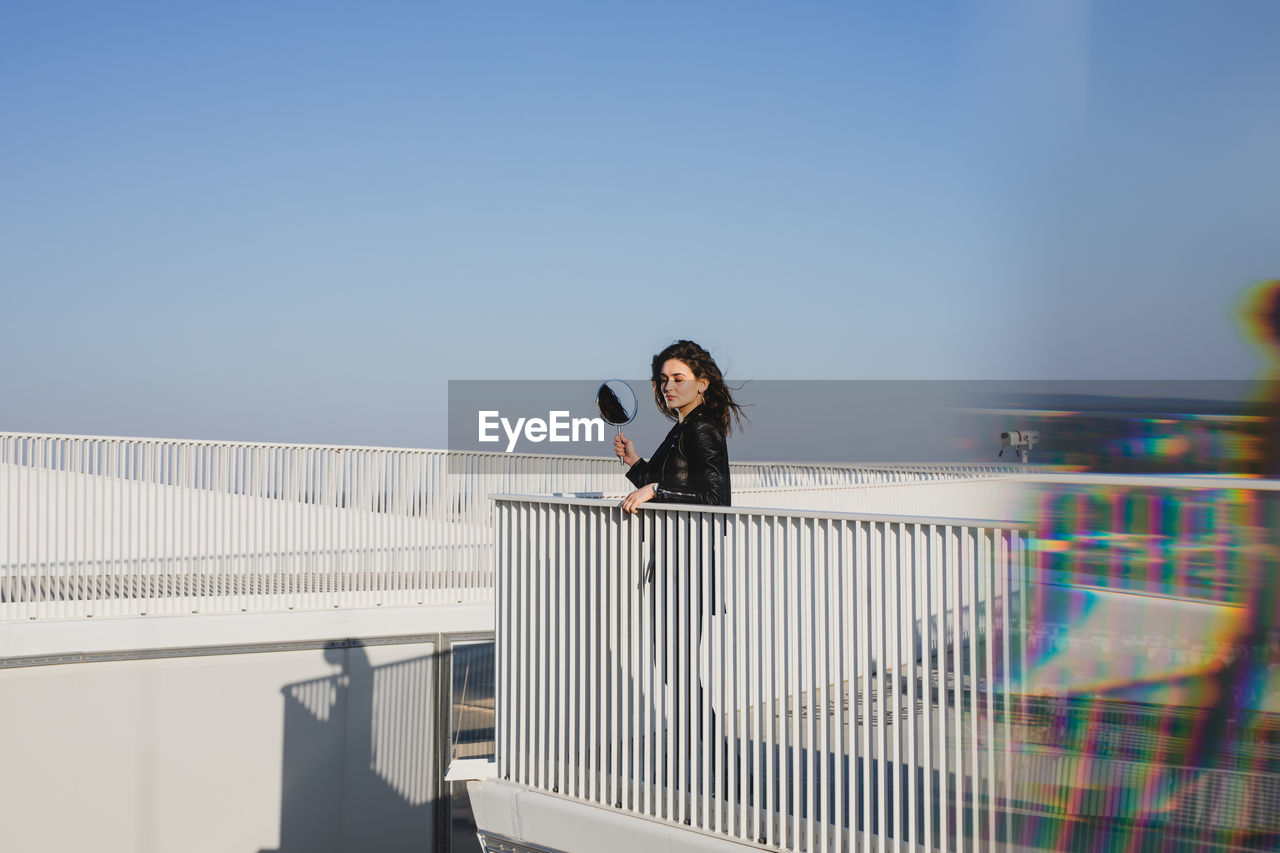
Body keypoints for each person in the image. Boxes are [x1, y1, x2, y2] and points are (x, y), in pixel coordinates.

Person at [615, 340, 744, 512]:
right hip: (673, 535)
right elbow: (667, 482)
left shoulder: (702, 429)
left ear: (702, 384)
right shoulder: (682, 427)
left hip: (691, 537)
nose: (668, 387)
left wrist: (657, 491)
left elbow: (716, 498)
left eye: (678, 379)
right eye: (664, 380)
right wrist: (634, 461)